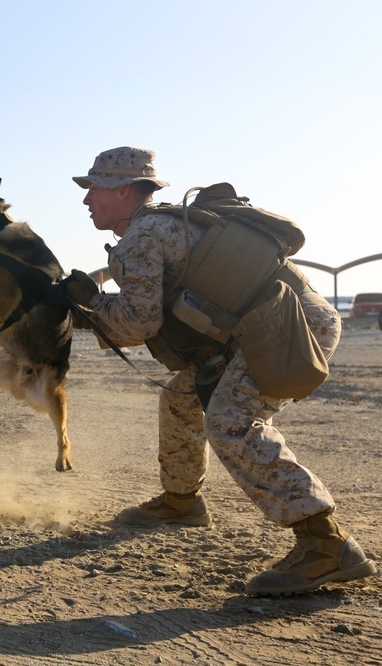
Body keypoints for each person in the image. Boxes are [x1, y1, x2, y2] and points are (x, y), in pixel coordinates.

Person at [65, 146, 376, 596]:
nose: (86, 200)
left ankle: (325, 543)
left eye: (94, 189)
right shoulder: (165, 223)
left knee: (231, 421)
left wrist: (91, 302)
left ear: (125, 189)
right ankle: (180, 502)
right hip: (277, 321)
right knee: (181, 399)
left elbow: (137, 323)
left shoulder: (143, 235)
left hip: (287, 327)